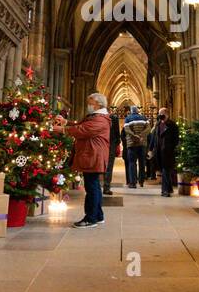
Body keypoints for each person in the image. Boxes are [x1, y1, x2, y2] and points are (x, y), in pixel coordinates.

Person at [55, 92, 111, 227]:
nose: (88, 105)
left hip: (93, 156)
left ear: (98, 104)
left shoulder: (101, 119)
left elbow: (84, 129)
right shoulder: (96, 116)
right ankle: (98, 216)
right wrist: (66, 122)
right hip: (91, 155)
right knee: (94, 187)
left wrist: (63, 129)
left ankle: (90, 219)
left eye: (90, 102)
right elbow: (81, 124)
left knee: (91, 188)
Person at [150, 107, 180, 197]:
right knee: (164, 170)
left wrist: (171, 147)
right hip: (159, 151)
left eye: (161, 114)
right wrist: (150, 149)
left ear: (166, 114)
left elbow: (176, 139)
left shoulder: (172, 125)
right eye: (159, 114)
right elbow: (154, 137)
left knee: (165, 170)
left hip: (168, 151)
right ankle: (169, 188)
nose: (160, 116)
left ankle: (165, 190)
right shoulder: (158, 124)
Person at [122, 105, 149, 187]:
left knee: (132, 163)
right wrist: (141, 135)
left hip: (131, 144)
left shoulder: (127, 119)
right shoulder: (144, 118)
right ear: (137, 111)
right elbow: (148, 128)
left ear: (131, 111)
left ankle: (133, 183)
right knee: (142, 163)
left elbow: (127, 129)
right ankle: (141, 181)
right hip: (142, 143)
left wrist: (134, 135)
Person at [103, 107, 122, 195]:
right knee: (109, 167)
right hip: (111, 144)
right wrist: (116, 143)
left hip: (101, 144)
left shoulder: (99, 117)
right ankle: (106, 187)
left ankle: (100, 186)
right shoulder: (114, 118)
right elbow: (117, 134)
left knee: (101, 165)